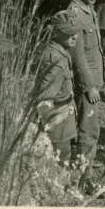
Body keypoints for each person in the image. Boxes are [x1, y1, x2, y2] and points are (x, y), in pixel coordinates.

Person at [66, 0, 105, 191]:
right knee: (89, 128)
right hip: (85, 81)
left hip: (92, 77)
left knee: (86, 124)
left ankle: (84, 160)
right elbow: (78, 55)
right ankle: (84, 176)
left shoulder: (86, 7)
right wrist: (89, 86)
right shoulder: (75, 13)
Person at [33, 11, 83, 165]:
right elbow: (44, 100)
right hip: (58, 121)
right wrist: (48, 123)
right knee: (61, 160)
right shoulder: (58, 65)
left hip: (62, 112)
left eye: (76, 32)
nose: (75, 37)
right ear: (58, 33)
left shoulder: (54, 49)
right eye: (69, 34)